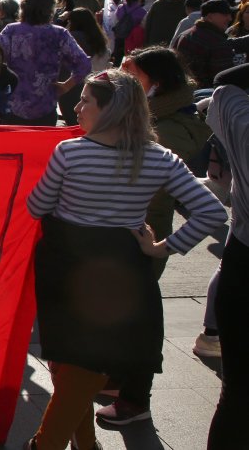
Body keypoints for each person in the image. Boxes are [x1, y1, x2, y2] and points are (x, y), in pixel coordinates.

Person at [24, 70, 227, 450]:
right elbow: (211, 212)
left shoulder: (69, 152)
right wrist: (161, 247)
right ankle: (85, 443)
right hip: (122, 268)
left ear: (110, 111)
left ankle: (45, 444)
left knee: (73, 361)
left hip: (67, 263)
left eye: (86, 101)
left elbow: (37, 206)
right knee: (83, 363)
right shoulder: (160, 158)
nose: (77, 107)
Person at [87, 46, 214, 426]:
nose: (118, 74)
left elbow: (205, 208)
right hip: (120, 232)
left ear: (153, 81)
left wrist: (164, 247)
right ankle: (117, 380)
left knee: (136, 316)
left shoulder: (167, 132)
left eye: (129, 70)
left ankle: (132, 395)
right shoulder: (146, 119)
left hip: (141, 230)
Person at [204, 62, 249, 449]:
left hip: (242, 260)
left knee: (237, 391)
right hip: (242, 261)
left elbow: (224, 85)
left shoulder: (237, 113)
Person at [0, 0, 91, 126]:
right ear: (50, 9)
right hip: (45, 107)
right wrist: (66, 86)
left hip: (12, 105)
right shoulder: (59, 34)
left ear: (23, 6)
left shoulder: (11, 30)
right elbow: (84, 64)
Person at [174, 0, 249, 88]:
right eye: (225, 15)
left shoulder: (185, 34)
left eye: (229, 14)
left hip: (186, 91)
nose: (230, 18)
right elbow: (225, 79)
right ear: (210, 17)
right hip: (208, 94)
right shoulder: (217, 42)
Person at [57, 8, 111, 126]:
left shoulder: (72, 37)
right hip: (93, 83)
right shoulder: (98, 37)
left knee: (72, 120)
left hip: (70, 83)